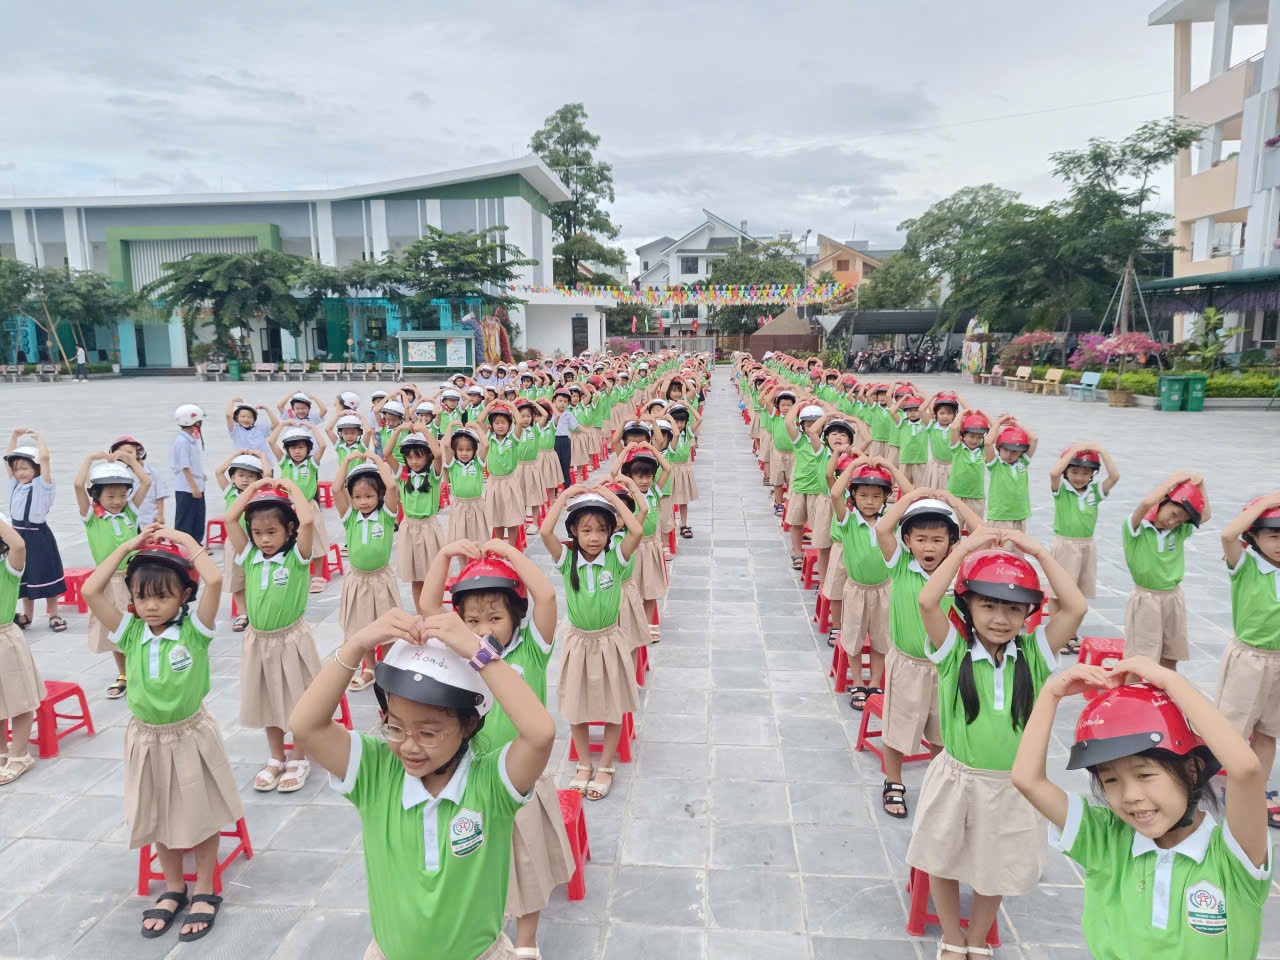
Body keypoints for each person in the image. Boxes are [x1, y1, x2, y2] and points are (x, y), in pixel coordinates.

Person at [290, 604, 554, 960]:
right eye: (395, 727)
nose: (409, 745)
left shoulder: (490, 783)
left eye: (428, 732)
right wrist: (356, 645)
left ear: (468, 725)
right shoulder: (375, 772)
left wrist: (481, 654)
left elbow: (540, 735)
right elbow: (306, 726)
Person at [1012, 657, 1271, 960]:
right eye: (1110, 780)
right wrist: (1050, 694)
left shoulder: (1232, 857)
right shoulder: (1105, 841)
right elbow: (1027, 779)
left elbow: (1246, 770)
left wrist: (1172, 683)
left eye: (1145, 775)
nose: (1131, 795)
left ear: (1191, 769)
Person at [911, 529, 1085, 959]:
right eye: (987, 604)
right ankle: (952, 938)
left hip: (1014, 785)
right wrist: (967, 549)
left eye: (1013, 608)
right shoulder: (954, 650)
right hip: (958, 777)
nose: (1000, 618)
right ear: (967, 604)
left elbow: (1076, 607)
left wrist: (1040, 553)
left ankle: (978, 939)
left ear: (1029, 612)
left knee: (998, 864)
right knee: (943, 858)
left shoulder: (1035, 654)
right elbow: (927, 601)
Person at [83, 525, 242, 942]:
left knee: (200, 811)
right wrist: (127, 547)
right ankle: (174, 887)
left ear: (183, 597)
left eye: (162, 596)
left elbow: (216, 579)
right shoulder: (130, 632)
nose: (151, 606)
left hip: (189, 734)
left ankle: (205, 887)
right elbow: (90, 592)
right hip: (145, 737)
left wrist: (186, 544)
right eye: (142, 596)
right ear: (132, 599)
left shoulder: (195, 632)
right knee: (156, 811)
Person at [421, 541, 572, 958]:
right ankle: (485, 923)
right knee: (475, 861)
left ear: (516, 617)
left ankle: (527, 941)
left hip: (520, 777)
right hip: (473, 779)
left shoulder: (531, 648)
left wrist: (508, 552)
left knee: (528, 864)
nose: (483, 627)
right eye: (471, 619)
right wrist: (444, 554)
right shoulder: (462, 653)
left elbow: (546, 595)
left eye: (495, 617)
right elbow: (429, 603)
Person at [873, 489, 983, 819]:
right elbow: (882, 529)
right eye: (920, 539)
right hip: (908, 664)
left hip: (948, 667)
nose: (929, 547)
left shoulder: (957, 567)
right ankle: (893, 781)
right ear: (906, 541)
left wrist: (954, 503)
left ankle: (937, 784)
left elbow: (982, 533)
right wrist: (914, 496)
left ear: (952, 542)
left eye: (938, 539)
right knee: (897, 729)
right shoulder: (901, 565)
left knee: (941, 731)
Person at [539, 485, 644, 801]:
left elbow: (637, 529)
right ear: (573, 531)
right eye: (586, 530)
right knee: (577, 706)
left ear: (611, 532)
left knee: (613, 707)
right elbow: (545, 532)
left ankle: (606, 765)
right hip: (579, 643)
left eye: (601, 529)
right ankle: (584, 764)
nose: (594, 537)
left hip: (609, 641)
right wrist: (563, 497)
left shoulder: (616, 559)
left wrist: (613, 500)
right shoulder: (567, 559)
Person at [224, 479, 322, 795]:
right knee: (267, 699)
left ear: (288, 529)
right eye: (258, 533)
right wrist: (254, 489)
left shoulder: (297, 557)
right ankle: (276, 757)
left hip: (290, 639)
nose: (264, 540)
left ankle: (299, 757)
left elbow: (307, 520)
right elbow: (230, 519)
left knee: (297, 699)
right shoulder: (250, 557)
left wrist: (289, 487)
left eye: (272, 532)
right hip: (259, 641)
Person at [1215, 493, 1280, 830]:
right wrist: (1266, 501)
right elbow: (1227, 535)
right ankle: (1215, 784)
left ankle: (1255, 789)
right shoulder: (1246, 564)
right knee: (1231, 730)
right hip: (1249, 659)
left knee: (1269, 732)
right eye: (1273, 535)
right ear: (1253, 537)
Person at [830, 454, 914, 711]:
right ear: (853, 496)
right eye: (863, 495)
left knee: (880, 638)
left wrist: (890, 467)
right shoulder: (848, 521)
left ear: (886, 498)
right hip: (856, 589)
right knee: (854, 637)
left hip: (885, 589)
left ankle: (875, 683)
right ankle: (857, 681)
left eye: (876, 496)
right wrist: (854, 465)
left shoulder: (890, 522)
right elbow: (835, 494)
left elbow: (912, 495)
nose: (869, 501)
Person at [76, 452, 151, 698]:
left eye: (121, 494)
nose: (117, 501)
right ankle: (124, 674)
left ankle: (145, 668)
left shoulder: (129, 511)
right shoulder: (92, 517)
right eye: (110, 496)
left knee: (142, 624)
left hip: (135, 577)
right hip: (109, 581)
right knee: (115, 629)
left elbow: (146, 482)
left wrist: (130, 461)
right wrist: (92, 459)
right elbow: (78, 484)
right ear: (96, 495)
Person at [1123, 472, 1211, 671]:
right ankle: (1131, 696)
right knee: (1139, 658)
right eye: (1173, 514)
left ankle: (1165, 696)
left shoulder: (1179, 531)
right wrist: (1172, 483)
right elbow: (1146, 503)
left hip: (1173, 598)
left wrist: (1200, 486)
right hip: (1146, 599)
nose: (1173, 522)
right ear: (1163, 501)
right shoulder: (1136, 527)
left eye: (1180, 521)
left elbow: (1205, 515)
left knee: (1171, 656)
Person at [334, 453, 402, 693]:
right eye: (357, 497)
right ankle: (370, 669)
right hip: (358, 580)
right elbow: (335, 489)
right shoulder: (350, 518)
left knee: (386, 626)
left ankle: (388, 666)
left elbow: (393, 485)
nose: (363, 502)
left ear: (379, 495)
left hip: (381, 578)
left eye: (369, 496)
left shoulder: (385, 516)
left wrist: (375, 459)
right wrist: (347, 460)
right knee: (362, 628)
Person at [1046, 444, 1120, 650]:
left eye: (1086, 473)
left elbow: (1114, 477)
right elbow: (1054, 472)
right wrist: (1073, 451)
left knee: (1076, 593)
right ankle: (1056, 634)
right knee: (1057, 592)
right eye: (1074, 471)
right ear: (1066, 472)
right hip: (1064, 545)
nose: (1079, 477)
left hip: (1086, 546)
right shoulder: (1061, 489)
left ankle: (1071, 632)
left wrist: (1103, 452)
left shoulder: (1095, 491)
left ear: (1092, 475)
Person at [4, 432, 66, 632]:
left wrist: (40, 439)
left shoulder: (42, 486)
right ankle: (27, 616)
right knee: (22, 576)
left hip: (38, 536)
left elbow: (45, 459)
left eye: (25, 468)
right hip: (17, 535)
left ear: (36, 468)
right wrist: (14, 437)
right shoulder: (16, 485)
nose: (20, 472)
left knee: (47, 574)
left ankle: (54, 614)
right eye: (17, 469)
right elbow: (7, 459)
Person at [269, 421, 329, 594]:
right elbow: (271, 442)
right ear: (287, 449)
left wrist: (312, 428)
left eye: (301, 447)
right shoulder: (284, 462)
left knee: (316, 540)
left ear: (308, 449)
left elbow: (323, 445)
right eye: (293, 447)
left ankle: (318, 576)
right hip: (288, 507)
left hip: (309, 507)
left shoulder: (311, 463)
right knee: (290, 541)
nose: (297, 451)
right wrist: (282, 424)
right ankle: (292, 573)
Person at [0, 515, 38, 785]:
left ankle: (19, 753)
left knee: (19, 700)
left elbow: (20, 546)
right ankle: (2, 752)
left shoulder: (9, 566)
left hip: (5, 640)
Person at [390, 430, 445, 616]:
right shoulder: (403, 475)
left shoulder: (433, 475)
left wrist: (423, 430)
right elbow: (387, 454)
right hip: (409, 527)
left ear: (427, 456)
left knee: (432, 575)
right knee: (416, 578)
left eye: (418, 457)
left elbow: (438, 454)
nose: (414, 462)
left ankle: (433, 612)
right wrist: (400, 429)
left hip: (428, 527)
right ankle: (421, 615)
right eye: (410, 457)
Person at [214, 451, 268, 632]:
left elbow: (267, 475)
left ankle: (258, 609)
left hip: (257, 542)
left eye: (251, 476)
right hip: (234, 543)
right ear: (233, 478)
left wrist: (261, 457)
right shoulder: (229, 492)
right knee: (237, 579)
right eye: (241, 475)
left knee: (258, 577)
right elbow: (218, 472)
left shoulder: (258, 492)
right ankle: (242, 613)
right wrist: (236, 455)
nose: (245, 480)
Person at [483, 402, 526, 546]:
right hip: (494, 481)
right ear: (492, 425)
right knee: (497, 515)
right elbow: (479, 420)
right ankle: (499, 545)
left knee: (512, 515)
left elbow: (519, 422)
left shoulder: (512, 439)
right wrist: (490, 406)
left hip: (509, 481)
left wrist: (510, 405)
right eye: (496, 422)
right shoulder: (489, 438)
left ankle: (512, 546)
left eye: (504, 422)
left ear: (509, 424)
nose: (500, 426)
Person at [984, 416, 1037, 531]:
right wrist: (997, 424)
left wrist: (1016, 424)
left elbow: (1034, 439)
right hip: (1000, 517)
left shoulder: (1023, 463)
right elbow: (988, 443)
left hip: (1019, 517)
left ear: (1021, 452)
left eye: (1014, 451)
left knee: (1018, 549)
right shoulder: (995, 465)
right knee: (1000, 549)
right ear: (999, 448)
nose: (1009, 454)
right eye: (1005, 449)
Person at [443, 422, 492, 544]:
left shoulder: (477, 463)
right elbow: (446, 446)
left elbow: (485, 445)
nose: (464, 453)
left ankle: (479, 562)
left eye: (468, 450)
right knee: (460, 540)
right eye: (460, 450)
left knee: (480, 538)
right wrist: (450, 426)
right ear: (455, 451)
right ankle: (463, 564)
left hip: (477, 505)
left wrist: (477, 427)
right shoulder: (453, 465)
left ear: (474, 450)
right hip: (459, 506)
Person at [111, 435, 171, 528]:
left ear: (139, 452)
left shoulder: (153, 472)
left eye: (130, 452)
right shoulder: (122, 475)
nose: (127, 456)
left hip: (152, 517)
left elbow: (160, 494)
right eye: (123, 455)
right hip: (131, 520)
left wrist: (161, 514)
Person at [946, 407, 990, 523]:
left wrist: (984, 415)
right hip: (956, 494)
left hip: (976, 496)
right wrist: (961, 413)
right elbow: (954, 428)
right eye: (971, 436)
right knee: (954, 528)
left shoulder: (983, 450)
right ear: (963, 435)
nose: (975, 440)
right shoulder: (958, 448)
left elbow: (994, 433)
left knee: (976, 529)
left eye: (979, 437)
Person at [171, 404, 207, 544]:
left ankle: (196, 544)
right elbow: (184, 467)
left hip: (196, 484)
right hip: (187, 488)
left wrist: (200, 474)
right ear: (195, 422)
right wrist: (194, 487)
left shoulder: (190, 439)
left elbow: (191, 463)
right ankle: (183, 547)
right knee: (185, 520)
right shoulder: (182, 442)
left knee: (197, 517)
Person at [666, 402, 699, 540]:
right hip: (671, 468)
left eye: (682, 421)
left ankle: (683, 524)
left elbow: (699, 419)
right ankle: (668, 525)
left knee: (683, 499)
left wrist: (687, 405)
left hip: (684, 468)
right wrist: (668, 410)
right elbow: (659, 419)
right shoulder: (667, 435)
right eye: (676, 421)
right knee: (668, 499)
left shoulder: (687, 434)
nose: (679, 424)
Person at [921, 391, 959, 490]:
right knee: (934, 493)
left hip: (953, 466)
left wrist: (958, 397)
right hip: (935, 466)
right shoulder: (931, 427)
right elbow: (921, 410)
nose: (945, 416)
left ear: (955, 415)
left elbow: (968, 412)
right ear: (936, 414)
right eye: (941, 413)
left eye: (949, 413)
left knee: (951, 494)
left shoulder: (956, 428)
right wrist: (933, 396)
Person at [225, 399, 279, 465]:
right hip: (245, 465)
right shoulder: (235, 430)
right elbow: (228, 416)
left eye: (249, 417)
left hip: (264, 465)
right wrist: (232, 401)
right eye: (242, 416)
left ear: (254, 420)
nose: (246, 419)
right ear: (236, 418)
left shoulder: (260, 428)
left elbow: (276, 424)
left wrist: (267, 409)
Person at [551, 388, 578, 491]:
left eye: (565, 402)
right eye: (560, 401)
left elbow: (576, 426)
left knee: (565, 464)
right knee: (554, 466)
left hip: (565, 441)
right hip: (554, 441)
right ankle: (555, 490)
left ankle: (567, 488)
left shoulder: (568, 414)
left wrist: (585, 431)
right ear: (554, 401)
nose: (563, 404)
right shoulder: (550, 414)